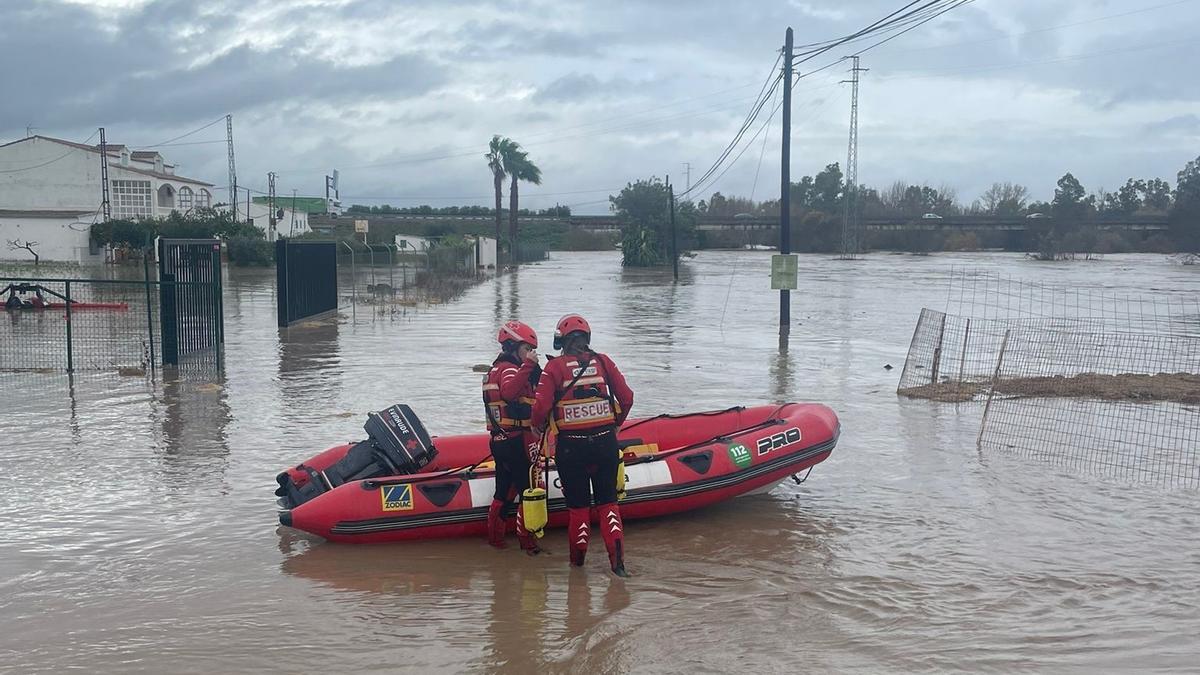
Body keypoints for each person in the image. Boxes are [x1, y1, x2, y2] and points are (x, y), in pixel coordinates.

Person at [531, 314, 634, 577]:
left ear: (562, 342)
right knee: (609, 504)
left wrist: (536, 426)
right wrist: (616, 423)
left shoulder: (553, 369)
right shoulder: (603, 362)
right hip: (605, 444)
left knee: (578, 508)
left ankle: (577, 567)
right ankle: (618, 567)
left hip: (571, 448)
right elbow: (627, 397)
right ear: (586, 338)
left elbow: (541, 407)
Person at [482, 320, 545, 554]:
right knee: (530, 490)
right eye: (527, 349)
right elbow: (509, 392)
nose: (530, 354)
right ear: (513, 346)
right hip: (518, 440)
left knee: (504, 491)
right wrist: (529, 366)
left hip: (500, 441)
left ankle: (496, 541)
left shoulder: (493, 371)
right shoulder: (510, 369)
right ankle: (528, 544)